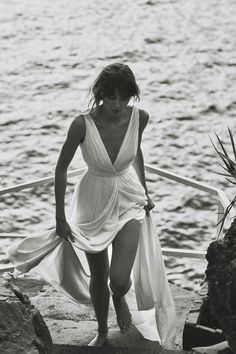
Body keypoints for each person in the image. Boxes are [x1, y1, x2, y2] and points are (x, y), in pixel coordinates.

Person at [6, 63, 176, 348]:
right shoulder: (81, 124)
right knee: (99, 274)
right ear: (100, 94)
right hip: (92, 201)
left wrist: (145, 192)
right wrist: (60, 217)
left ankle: (120, 297)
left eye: (125, 97)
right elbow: (61, 170)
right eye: (112, 97)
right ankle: (101, 330)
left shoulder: (140, 118)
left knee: (119, 279)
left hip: (128, 198)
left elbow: (137, 152)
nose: (118, 104)